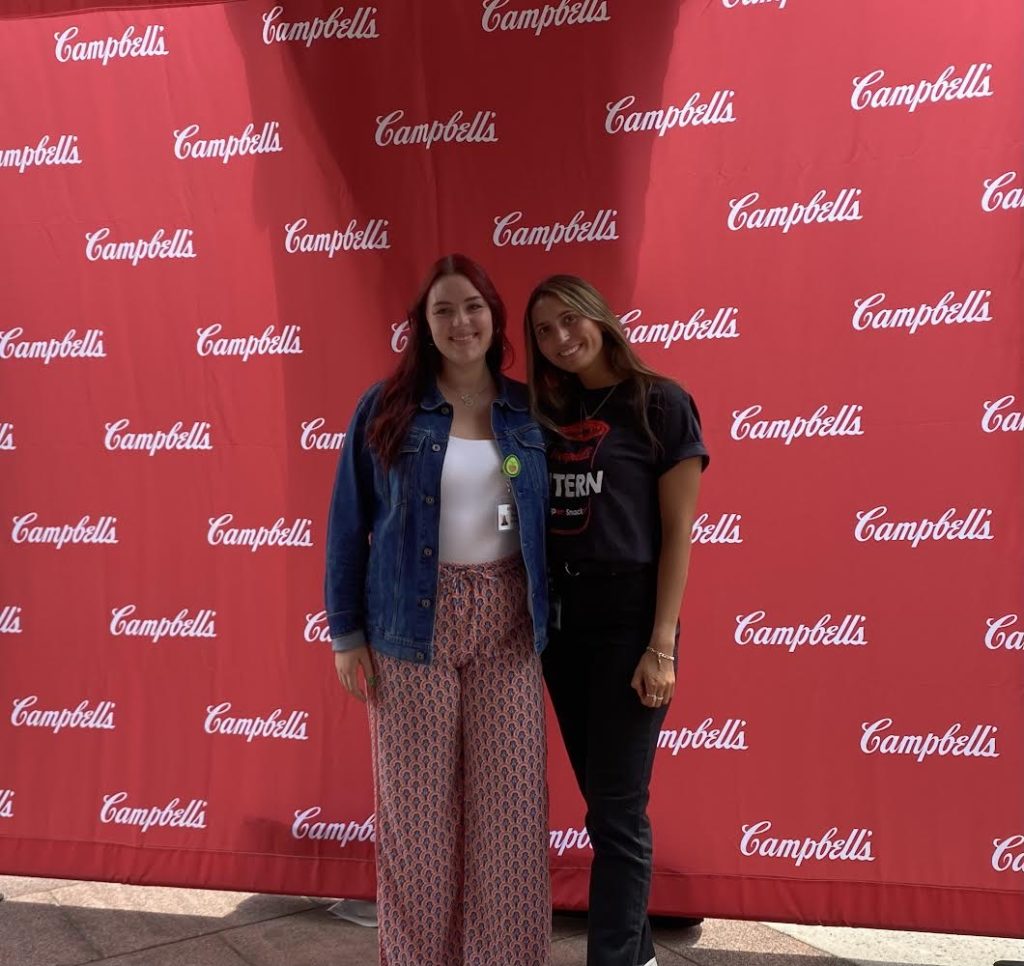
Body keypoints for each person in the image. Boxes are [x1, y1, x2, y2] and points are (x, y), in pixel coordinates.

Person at [324, 254, 551, 966]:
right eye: (444, 311)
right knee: (416, 822)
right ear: (424, 326)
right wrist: (346, 633)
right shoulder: (385, 407)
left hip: (508, 624)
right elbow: (346, 522)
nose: (461, 323)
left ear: (495, 317)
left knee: (511, 817)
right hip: (407, 625)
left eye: (473, 307)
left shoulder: (529, 410)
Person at [524, 274, 709, 966]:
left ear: (599, 318)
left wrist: (661, 645)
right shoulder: (547, 411)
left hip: (630, 624)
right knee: (605, 812)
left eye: (569, 320)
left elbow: (678, 531)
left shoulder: (660, 403)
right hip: (562, 630)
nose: (560, 338)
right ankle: (639, 956)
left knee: (619, 814)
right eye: (543, 330)